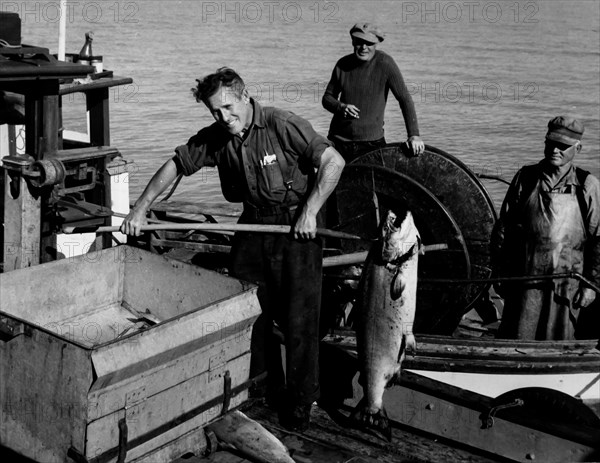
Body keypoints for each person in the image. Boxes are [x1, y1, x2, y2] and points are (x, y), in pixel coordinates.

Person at [120, 67, 345, 431]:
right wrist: (140, 209)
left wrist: (310, 211)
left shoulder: (282, 124)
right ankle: (259, 387)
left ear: (244, 95)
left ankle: (301, 400)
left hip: (296, 230)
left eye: (228, 107)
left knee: (299, 320)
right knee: (249, 310)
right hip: (252, 225)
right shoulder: (218, 136)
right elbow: (176, 164)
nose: (224, 117)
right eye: (215, 112)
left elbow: (334, 162)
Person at [491, 116, 600, 340]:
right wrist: (500, 272)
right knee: (518, 337)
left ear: (578, 148)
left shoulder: (587, 185)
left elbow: (599, 240)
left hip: (566, 285)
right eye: (550, 143)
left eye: (563, 146)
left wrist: (592, 285)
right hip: (525, 280)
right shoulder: (526, 177)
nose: (555, 150)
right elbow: (504, 229)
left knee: (561, 339)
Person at [322, 22, 424, 162]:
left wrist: (414, 135)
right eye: (359, 42)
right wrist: (341, 107)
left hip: (371, 144)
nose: (364, 47)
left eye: (368, 43)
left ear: (376, 44)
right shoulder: (342, 64)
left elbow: (404, 98)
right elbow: (327, 98)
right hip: (339, 141)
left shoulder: (385, 64)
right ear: (353, 41)